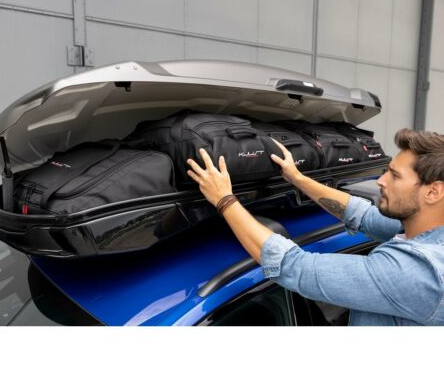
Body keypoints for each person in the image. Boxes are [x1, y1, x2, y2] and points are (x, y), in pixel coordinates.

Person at [186, 128, 444, 326]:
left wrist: (224, 200)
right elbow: (361, 214)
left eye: (395, 175)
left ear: (433, 192)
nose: (381, 180)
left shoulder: (419, 272)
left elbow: (293, 267)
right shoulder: (423, 228)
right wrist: (296, 178)